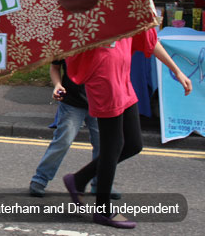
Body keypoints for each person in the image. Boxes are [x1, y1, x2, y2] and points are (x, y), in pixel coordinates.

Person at [63, 28, 192, 229]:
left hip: (123, 78)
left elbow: (150, 40)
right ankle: (102, 211)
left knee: (133, 144)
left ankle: (79, 179)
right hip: (103, 77)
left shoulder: (131, 2)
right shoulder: (96, 2)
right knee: (112, 146)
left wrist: (176, 70)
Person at [29, 60, 101, 197]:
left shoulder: (106, 41)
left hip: (99, 101)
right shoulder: (69, 42)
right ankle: (40, 179)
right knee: (63, 141)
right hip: (72, 103)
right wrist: (57, 85)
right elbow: (55, 67)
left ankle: (101, 183)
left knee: (103, 145)